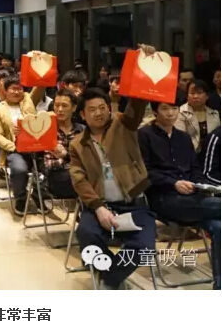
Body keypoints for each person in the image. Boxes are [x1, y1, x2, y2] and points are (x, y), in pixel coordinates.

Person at [69, 77, 157, 290]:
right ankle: (112, 273)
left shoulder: (123, 125)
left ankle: (110, 277)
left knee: (144, 246)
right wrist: (98, 207)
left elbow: (136, 107)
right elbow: (78, 179)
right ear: (83, 115)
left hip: (134, 203)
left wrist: (142, 77)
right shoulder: (77, 144)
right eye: (92, 110)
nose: (98, 113)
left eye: (102, 107)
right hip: (102, 205)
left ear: (109, 109)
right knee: (86, 235)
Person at [139, 100, 220, 290]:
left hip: (193, 198)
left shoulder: (183, 137)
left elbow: (195, 169)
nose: (171, 113)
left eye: (174, 108)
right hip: (163, 198)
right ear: (155, 111)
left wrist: (200, 185)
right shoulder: (144, 135)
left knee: (220, 227)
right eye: (165, 108)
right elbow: (144, 172)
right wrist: (173, 183)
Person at [0, 75, 45, 215]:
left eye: (19, 88)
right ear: (5, 91)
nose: (16, 92)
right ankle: (21, 197)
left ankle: (39, 195)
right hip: (14, 150)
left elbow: (40, 87)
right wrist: (13, 146)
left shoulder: (29, 100)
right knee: (19, 169)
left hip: (36, 147)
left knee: (48, 167)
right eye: (13, 89)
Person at [42, 89, 84, 199]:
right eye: (57, 105)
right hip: (54, 176)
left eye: (64, 106)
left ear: (74, 108)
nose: (60, 109)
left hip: (79, 174)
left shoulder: (82, 131)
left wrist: (66, 155)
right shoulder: (44, 129)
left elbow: (87, 158)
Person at [175, 79, 221, 162]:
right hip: (188, 155)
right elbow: (180, 139)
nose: (195, 96)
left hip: (211, 156)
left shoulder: (214, 114)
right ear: (187, 96)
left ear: (207, 96)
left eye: (199, 93)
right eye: (192, 93)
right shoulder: (180, 113)